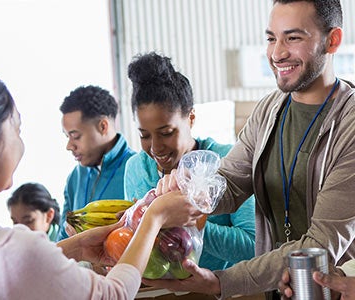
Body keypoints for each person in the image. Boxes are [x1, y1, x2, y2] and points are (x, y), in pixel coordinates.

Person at [142, 1, 355, 299]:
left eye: (293, 38)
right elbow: (229, 183)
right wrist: (193, 190)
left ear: (332, 40)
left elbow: (319, 246)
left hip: (332, 290)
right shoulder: (270, 110)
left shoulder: (350, 124)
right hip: (280, 290)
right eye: (271, 38)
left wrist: (222, 282)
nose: (277, 53)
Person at [0, 64, 202, 299]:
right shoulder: (12, 247)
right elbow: (113, 294)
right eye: (17, 129)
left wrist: (74, 247)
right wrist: (154, 218)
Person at [125, 52, 255, 271]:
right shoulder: (135, 169)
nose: (155, 148)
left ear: (191, 118)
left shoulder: (227, 161)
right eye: (144, 136)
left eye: (166, 133)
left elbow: (253, 246)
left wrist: (190, 220)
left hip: (220, 291)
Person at [57, 85, 136, 240]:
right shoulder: (75, 177)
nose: (69, 146)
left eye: (76, 136)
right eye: (67, 137)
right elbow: (62, 238)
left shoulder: (137, 169)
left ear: (103, 126)